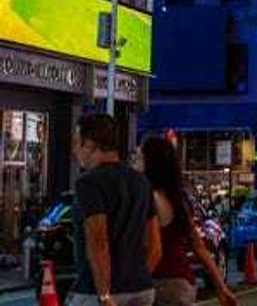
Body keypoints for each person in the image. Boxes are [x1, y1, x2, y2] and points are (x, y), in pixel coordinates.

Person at [68, 114, 162, 306]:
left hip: (97, 290)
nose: (75, 150)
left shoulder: (88, 183)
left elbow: (98, 240)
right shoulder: (141, 182)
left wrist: (104, 294)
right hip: (141, 288)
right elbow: (155, 245)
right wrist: (138, 278)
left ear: (90, 145)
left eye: (78, 143)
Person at [139, 137, 237, 306]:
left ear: (150, 162)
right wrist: (221, 287)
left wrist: (136, 282)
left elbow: (155, 250)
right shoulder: (179, 200)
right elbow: (199, 247)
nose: (135, 162)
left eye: (139, 157)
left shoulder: (149, 197)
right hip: (183, 281)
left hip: (161, 282)